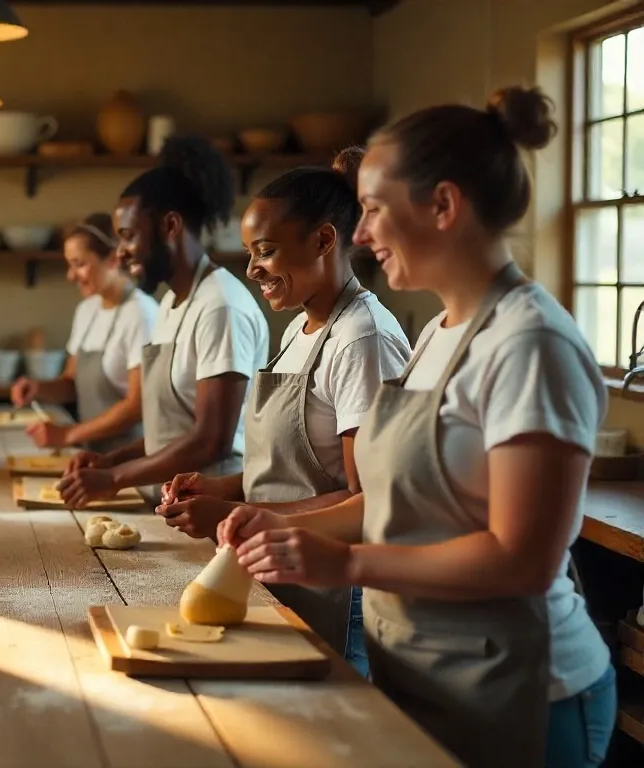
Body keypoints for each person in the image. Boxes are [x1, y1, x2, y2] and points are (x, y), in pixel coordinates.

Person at [220, 86, 616, 767]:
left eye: (372, 209)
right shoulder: (436, 332)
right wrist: (283, 525)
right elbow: (394, 505)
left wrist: (345, 562)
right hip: (424, 669)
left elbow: (524, 558)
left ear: (443, 205)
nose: (363, 234)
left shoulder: (530, 343)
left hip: (522, 692)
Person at [155, 150, 411, 675]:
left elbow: (369, 503)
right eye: (250, 253)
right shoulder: (299, 327)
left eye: (265, 252)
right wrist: (218, 488)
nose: (252, 270)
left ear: (323, 240)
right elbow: (291, 474)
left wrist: (235, 519)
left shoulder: (363, 339)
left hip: (342, 594)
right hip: (285, 570)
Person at [57, 136, 269, 507]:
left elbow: (211, 439)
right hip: (168, 501)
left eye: (128, 236)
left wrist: (113, 478)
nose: (120, 253)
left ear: (171, 225)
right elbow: (168, 432)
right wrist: (111, 460)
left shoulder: (220, 306)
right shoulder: (172, 302)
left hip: (209, 509)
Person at [9, 213, 157, 453]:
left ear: (112, 259)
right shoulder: (87, 310)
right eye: (70, 265)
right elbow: (71, 383)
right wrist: (39, 389)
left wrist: (68, 434)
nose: (71, 276)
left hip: (130, 461)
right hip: (92, 457)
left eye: (80, 264)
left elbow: (137, 406)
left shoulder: (142, 314)